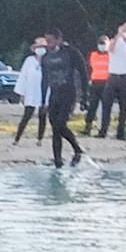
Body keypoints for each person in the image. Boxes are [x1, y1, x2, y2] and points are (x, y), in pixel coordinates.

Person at [39, 29, 86, 168]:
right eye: (46, 41)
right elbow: (44, 79)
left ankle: (77, 149)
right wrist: (43, 101)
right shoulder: (46, 56)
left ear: (58, 39)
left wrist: (84, 97)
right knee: (54, 127)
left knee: (60, 124)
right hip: (55, 94)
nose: (48, 44)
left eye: (50, 41)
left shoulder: (71, 52)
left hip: (69, 93)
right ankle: (57, 160)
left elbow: (83, 73)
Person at [96, 20, 126, 141]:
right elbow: (110, 50)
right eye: (125, 29)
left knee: (124, 106)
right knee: (106, 104)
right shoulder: (115, 42)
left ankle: (121, 132)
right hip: (113, 76)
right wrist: (118, 34)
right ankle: (103, 130)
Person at [12, 36, 47, 146]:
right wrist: (22, 93)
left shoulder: (49, 60)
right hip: (31, 92)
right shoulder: (29, 61)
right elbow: (23, 76)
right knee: (26, 116)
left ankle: (40, 139)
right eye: (38, 47)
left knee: (42, 116)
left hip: (44, 92)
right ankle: (17, 139)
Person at [82, 35, 111, 135]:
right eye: (101, 43)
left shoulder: (111, 55)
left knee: (106, 108)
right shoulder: (93, 55)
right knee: (92, 106)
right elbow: (90, 67)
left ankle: (103, 130)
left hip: (107, 83)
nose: (102, 46)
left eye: (104, 44)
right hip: (95, 82)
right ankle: (88, 127)